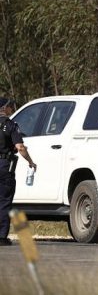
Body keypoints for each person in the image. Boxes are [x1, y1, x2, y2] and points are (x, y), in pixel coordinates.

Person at [0, 97, 37, 246]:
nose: (12, 108)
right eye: (10, 106)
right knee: (4, 201)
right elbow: (20, 147)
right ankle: (1, 237)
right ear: (4, 108)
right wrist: (30, 162)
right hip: (4, 166)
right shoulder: (10, 125)